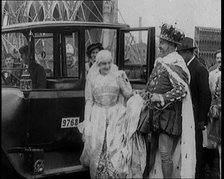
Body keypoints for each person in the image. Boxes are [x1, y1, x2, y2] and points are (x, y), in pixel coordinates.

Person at [78, 50, 147, 178]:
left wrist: (135, 94)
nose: (107, 66)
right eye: (104, 64)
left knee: (115, 150)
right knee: (98, 149)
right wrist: (87, 122)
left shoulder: (117, 75)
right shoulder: (92, 78)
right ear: (98, 64)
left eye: (109, 63)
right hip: (98, 117)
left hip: (116, 117)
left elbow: (127, 93)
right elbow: (89, 101)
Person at [140, 23, 196, 178]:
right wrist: (143, 94)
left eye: (162, 43)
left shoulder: (176, 63)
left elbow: (182, 90)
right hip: (153, 115)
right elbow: (151, 85)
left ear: (172, 45)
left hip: (168, 116)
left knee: (165, 154)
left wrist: (162, 97)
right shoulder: (160, 62)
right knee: (149, 151)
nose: (160, 46)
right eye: (160, 42)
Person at [177, 37, 211, 179]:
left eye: (181, 53)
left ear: (187, 53)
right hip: (188, 116)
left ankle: (198, 174)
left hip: (196, 117)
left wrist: (201, 119)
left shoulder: (199, 68)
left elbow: (206, 95)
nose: (179, 56)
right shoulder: (188, 67)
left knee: (197, 149)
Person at [208, 50, 221, 178]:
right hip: (216, 110)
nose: (219, 60)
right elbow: (211, 92)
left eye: (220, 57)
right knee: (216, 142)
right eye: (217, 57)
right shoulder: (212, 74)